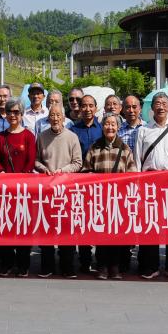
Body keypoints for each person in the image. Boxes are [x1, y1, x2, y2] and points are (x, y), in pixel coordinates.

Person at [135, 92, 168, 280]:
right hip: (149, 183)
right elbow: (137, 159)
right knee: (150, 224)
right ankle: (149, 266)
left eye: (164, 103)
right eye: (157, 103)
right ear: (152, 107)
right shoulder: (143, 130)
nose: (161, 106)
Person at [82, 112, 138, 280]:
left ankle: (115, 267)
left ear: (118, 127)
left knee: (116, 234)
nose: (110, 127)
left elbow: (132, 174)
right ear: (102, 126)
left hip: (118, 199)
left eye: (113, 124)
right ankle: (101, 266)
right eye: (107, 124)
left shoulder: (125, 149)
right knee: (100, 234)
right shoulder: (95, 147)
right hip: (99, 199)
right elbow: (86, 171)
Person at [35, 103, 83, 277]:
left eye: (58, 115)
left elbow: (78, 163)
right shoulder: (42, 137)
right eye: (52, 115)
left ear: (64, 118)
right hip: (47, 190)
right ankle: (47, 266)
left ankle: (67, 267)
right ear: (48, 118)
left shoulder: (72, 137)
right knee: (46, 229)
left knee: (67, 230)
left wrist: (62, 171)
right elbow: (36, 160)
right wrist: (43, 169)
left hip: (66, 190)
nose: (55, 119)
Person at [0, 98, 37, 277]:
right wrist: (2, 173)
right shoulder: (0, 137)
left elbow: (31, 160)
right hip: (5, 190)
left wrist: (21, 178)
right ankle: (7, 263)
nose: (13, 115)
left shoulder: (28, 136)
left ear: (22, 114)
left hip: (24, 190)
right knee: (6, 227)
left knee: (23, 227)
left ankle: (23, 264)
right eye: (10, 112)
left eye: (16, 112)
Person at [69, 94, 102, 273]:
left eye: (91, 105)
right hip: (78, 183)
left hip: (100, 183)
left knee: (99, 222)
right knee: (81, 222)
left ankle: (101, 260)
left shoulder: (102, 128)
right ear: (79, 108)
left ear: (96, 108)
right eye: (84, 106)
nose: (87, 109)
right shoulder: (73, 130)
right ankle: (84, 259)